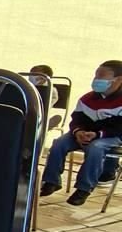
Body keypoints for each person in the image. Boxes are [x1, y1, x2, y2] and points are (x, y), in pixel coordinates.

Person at [40, 60, 122, 205]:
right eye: (96, 76)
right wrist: (78, 131)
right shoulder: (87, 98)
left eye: (102, 77)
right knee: (59, 143)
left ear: (118, 80)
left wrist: (97, 134)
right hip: (85, 133)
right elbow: (76, 118)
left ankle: (84, 188)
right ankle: (51, 181)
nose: (97, 80)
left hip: (112, 136)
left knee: (96, 147)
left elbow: (118, 127)